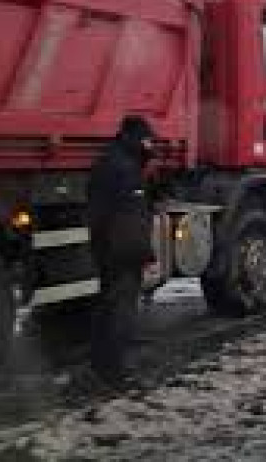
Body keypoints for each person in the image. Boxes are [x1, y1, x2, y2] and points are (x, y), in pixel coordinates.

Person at [87, 116, 157, 384]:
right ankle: (118, 370)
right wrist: (145, 255)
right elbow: (131, 221)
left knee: (107, 303)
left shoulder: (109, 161)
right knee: (122, 308)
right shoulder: (126, 169)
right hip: (122, 252)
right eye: (148, 140)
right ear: (136, 139)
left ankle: (101, 363)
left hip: (106, 246)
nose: (150, 146)